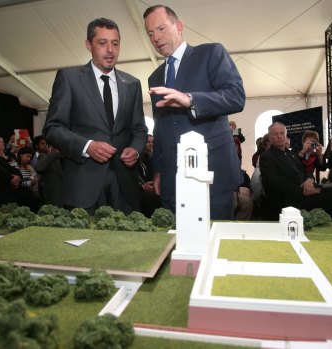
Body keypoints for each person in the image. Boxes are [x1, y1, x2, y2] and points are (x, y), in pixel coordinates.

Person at [143, 5, 246, 220]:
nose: (156, 38)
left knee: (214, 242)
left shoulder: (210, 53)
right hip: (172, 180)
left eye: (161, 29)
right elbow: (160, 127)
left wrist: (190, 99)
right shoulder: (155, 77)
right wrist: (159, 170)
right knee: (178, 246)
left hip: (212, 175)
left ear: (179, 26)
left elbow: (236, 96)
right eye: (150, 33)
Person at [43, 18, 147, 215]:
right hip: (84, 186)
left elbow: (139, 129)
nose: (110, 49)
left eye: (115, 43)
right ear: (88, 45)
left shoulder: (132, 84)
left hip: (125, 187)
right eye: (102, 43)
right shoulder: (69, 78)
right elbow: (52, 128)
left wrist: (136, 148)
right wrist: (87, 146)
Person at [259, 122, 332, 222]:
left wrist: (309, 180)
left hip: (305, 192)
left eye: (282, 133)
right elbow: (276, 183)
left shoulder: (290, 153)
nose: (279, 136)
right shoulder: (267, 156)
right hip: (291, 199)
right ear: (270, 137)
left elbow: (305, 170)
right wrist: (306, 190)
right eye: (275, 134)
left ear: (286, 135)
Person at [33, 135, 64, 207]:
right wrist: (56, 153)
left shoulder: (60, 158)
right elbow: (38, 168)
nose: (46, 145)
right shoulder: (44, 156)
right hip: (52, 199)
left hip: (64, 196)